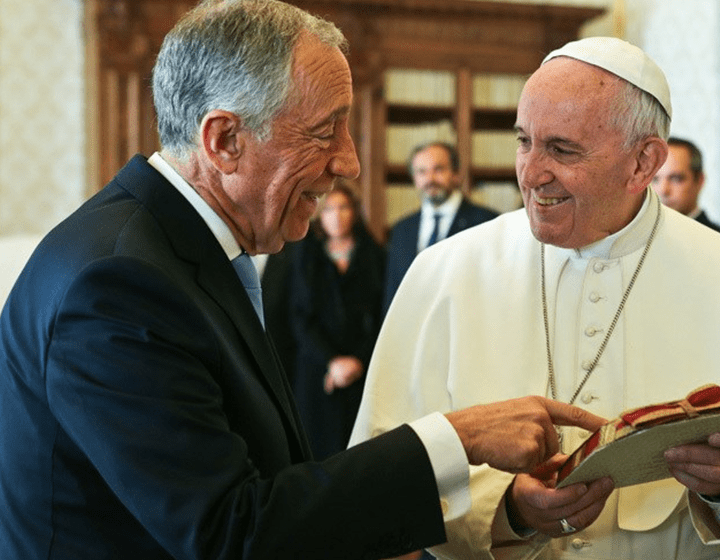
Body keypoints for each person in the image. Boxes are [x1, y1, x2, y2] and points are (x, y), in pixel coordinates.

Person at [0, 2, 608, 559]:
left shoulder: (176, 251)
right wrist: (456, 439)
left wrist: (495, 505)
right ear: (225, 140)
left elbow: (264, 484)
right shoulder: (118, 286)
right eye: (326, 130)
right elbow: (233, 533)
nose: (350, 162)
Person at [351, 36, 720, 559]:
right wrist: (508, 512)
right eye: (524, 141)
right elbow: (373, 486)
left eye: (562, 149)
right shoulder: (445, 272)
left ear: (643, 163)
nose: (531, 174)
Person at [262, 181, 385, 460]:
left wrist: (357, 361)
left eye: (343, 207)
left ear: (355, 212)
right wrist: (332, 362)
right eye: (329, 209)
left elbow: (382, 314)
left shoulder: (376, 255)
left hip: (363, 369)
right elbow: (298, 316)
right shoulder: (303, 256)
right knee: (318, 453)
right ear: (319, 215)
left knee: (363, 453)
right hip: (316, 370)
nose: (337, 215)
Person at [383, 142, 498, 311]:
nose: (430, 179)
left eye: (438, 169)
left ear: (456, 174)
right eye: (421, 171)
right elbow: (391, 298)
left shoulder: (487, 222)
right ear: (414, 178)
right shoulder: (401, 230)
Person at [651, 137, 720, 245]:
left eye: (676, 179)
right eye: (654, 179)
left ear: (699, 180)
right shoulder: (634, 241)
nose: (663, 190)